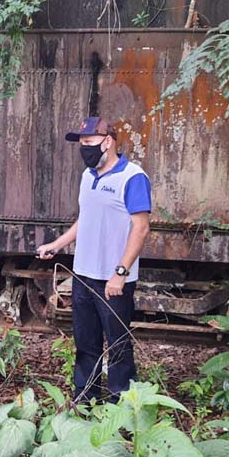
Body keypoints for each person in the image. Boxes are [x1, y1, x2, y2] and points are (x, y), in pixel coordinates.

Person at [36, 116, 151, 403]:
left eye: (89, 142)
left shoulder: (133, 177)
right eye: (82, 144)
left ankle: (120, 405)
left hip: (113, 281)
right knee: (85, 343)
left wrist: (120, 273)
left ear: (108, 142)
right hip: (83, 275)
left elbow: (141, 227)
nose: (84, 148)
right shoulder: (88, 177)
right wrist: (57, 244)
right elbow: (84, 219)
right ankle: (85, 400)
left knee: (118, 345)